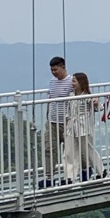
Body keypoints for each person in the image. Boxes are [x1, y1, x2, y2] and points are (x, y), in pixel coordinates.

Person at [63, 71, 102, 181]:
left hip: (84, 127)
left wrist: (96, 101)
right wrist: (66, 126)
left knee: (88, 151)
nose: (72, 83)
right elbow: (68, 112)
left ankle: (100, 171)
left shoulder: (87, 96)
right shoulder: (71, 96)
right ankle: (69, 177)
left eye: (74, 81)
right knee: (69, 153)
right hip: (71, 128)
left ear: (81, 82)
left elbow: (98, 107)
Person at [46, 56, 73, 184]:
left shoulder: (72, 81)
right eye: (52, 70)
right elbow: (50, 98)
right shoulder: (52, 82)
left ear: (63, 67)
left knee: (68, 152)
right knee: (49, 149)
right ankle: (49, 177)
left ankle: (69, 176)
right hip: (52, 121)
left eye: (56, 69)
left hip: (67, 122)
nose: (54, 72)